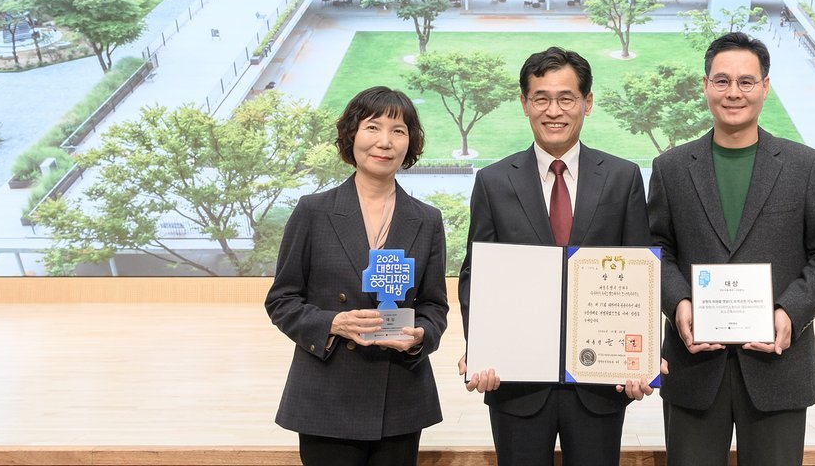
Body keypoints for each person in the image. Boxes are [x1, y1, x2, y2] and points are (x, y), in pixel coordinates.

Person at [649, 32, 815, 466]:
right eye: (722, 81)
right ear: (705, 85)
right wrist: (678, 302)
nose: (734, 93)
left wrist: (791, 311)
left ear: (765, 87)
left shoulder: (804, 165)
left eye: (746, 81)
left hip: (778, 365)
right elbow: (656, 248)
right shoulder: (671, 168)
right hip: (695, 365)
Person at [457, 46, 651, 466]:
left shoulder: (623, 178)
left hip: (600, 384)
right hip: (517, 383)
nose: (554, 111)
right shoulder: (493, 181)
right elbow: (475, 277)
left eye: (566, 98)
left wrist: (642, 359)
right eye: (541, 98)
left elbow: (640, 276)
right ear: (525, 103)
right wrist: (482, 348)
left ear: (587, 102)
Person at [266, 86, 448, 466]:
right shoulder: (313, 211)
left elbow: (434, 306)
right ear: (352, 134)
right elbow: (282, 300)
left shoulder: (426, 219)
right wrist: (334, 323)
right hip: (327, 395)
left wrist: (420, 337)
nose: (385, 141)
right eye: (373, 127)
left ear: (410, 142)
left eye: (398, 131)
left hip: (399, 396)